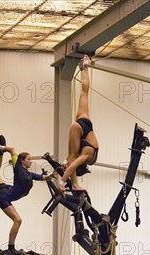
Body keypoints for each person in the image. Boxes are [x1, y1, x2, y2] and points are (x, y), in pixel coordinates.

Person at [0, 136, 54, 254]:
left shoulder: (29, 174)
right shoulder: (18, 167)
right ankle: (11, 248)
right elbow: (13, 149)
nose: (31, 161)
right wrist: (3, 147)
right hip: (4, 196)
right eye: (29, 159)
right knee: (18, 220)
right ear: (22, 161)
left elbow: (42, 177)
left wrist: (51, 175)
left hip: (7, 189)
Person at [60, 55, 99, 191]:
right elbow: (73, 164)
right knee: (72, 156)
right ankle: (75, 184)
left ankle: (86, 67)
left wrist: (65, 162)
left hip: (86, 122)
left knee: (84, 92)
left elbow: (71, 160)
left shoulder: (89, 153)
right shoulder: (86, 155)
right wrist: (62, 182)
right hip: (79, 127)